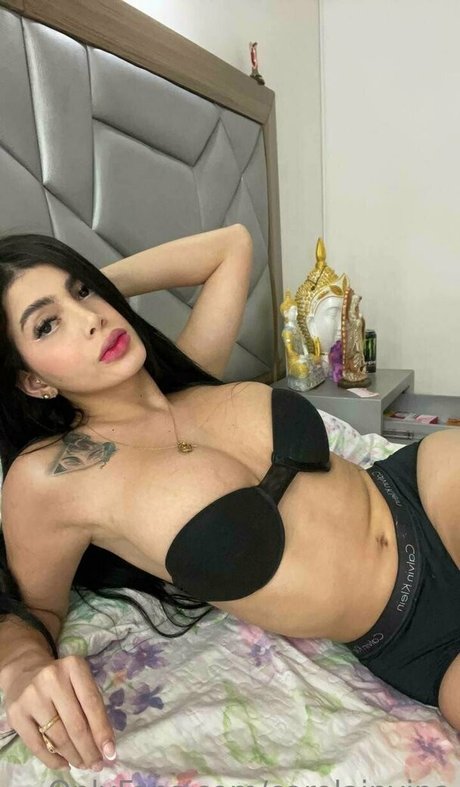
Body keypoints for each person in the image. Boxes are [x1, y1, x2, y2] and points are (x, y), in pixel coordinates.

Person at [0, 228, 458, 775]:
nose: (91, 318)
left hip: (428, 491)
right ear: (32, 381)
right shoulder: (51, 477)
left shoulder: (190, 371)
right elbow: (35, 610)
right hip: (410, 631)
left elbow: (232, 245)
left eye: (82, 292)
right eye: (46, 325)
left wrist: (101, 287)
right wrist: (24, 672)